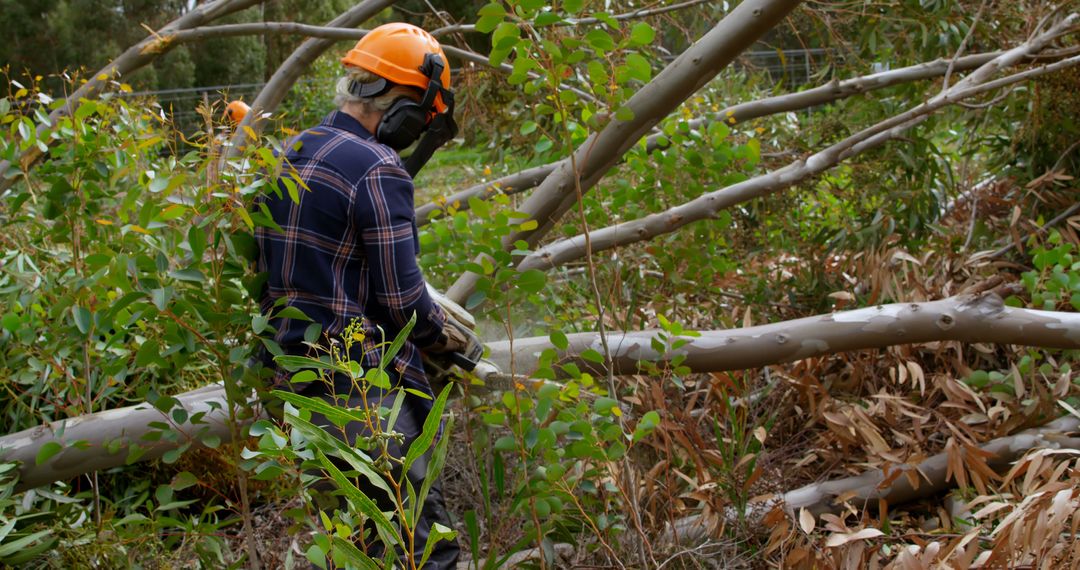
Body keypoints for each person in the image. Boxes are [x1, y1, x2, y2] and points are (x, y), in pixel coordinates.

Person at [255, 22, 478, 569]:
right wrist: (441, 337)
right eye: (421, 115)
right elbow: (403, 302)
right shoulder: (379, 168)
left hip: (293, 389)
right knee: (423, 549)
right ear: (401, 106)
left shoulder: (292, 149)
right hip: (360, 394)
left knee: (354, 549)